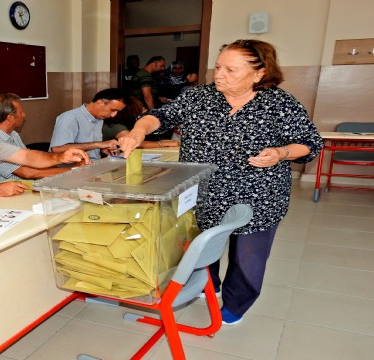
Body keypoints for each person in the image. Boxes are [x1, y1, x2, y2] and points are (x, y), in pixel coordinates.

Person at [118, 39, 324, 326]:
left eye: (231, 69)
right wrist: (138, 131)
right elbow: (159, 117)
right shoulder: (198, 97)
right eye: (217, 67)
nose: (219, 75)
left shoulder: (280, 103)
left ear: (259, 73)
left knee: (248, 258)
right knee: (202, 246)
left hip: (258, 195)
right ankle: (208, 284)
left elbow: (309, 143)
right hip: (201, 192)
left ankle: (237, 303)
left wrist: (281, 153)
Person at [0, 93, 71, 184]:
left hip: (22, 187)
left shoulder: (13, 134)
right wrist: (73, 170)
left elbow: (31, 161)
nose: (24, 115)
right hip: (0, 195)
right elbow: (27, 172)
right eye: (21, 112)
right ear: (10, 118)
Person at [49, 88, 126, 160]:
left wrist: (101, 149)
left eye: (117, 111)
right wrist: (98, 144)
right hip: (69, 170)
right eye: (112, 110)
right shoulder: (69, 118)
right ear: (100, 103)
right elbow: (56, 149)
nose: (113, 115)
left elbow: (89, 145)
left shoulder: (99, 118)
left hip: (93, 165)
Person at [102, 96, 179, 148]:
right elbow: (135, 143)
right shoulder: (116, 127)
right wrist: (164, 144)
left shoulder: (129, 123)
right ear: (130, 112)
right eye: (140, 108)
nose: (144, 109)